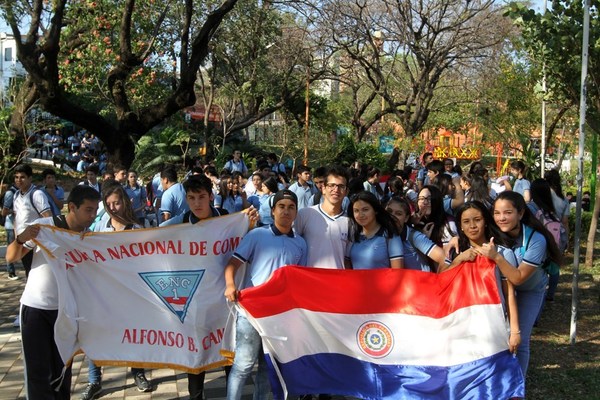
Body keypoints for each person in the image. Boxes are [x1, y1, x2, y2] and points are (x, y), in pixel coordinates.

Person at [160, 175, 257, 399]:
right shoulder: (178, 223)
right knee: (196, 357)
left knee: (229, 354)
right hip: (194, 303)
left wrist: (250, 224)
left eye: (201, 197)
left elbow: (248, 243)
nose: (197, 203)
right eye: (191, 198)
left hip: (226, 300)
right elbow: (147, 238)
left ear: (211, 196)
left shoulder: (227, 218)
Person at [6, 185, 101, 400]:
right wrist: (21, 238)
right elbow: (10, 257)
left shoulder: (91, 239)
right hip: (36, 309)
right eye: (88, 209)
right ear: (72, 207)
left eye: (96, 210)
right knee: (38, 373)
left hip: (66, 313)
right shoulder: (44, 228)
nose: (93, 215)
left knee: (62, 371)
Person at [224, 189, 307, 400]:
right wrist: (230, 285)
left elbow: (299, 280)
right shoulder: (257, 235)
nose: (286, 212)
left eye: (291, 208)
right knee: (243, 364)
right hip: (251, 310)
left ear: (296, 212)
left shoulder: (300, 243)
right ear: (273, 210)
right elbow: (232, 264)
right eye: (281, 207)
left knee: (266, 368)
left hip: (279, 315)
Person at [477, 191, 561, 377]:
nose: (501, 218)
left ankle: (517, 389)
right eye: (497, 213)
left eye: (508, 212)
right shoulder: (492, 232)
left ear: (521, 214)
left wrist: (496, 256)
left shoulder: (536, 240)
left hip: (529, 290)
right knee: (497, 336)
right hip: (503, 290)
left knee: (519, 340)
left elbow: (518, 278)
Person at [81, 183, 151, 399]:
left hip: (130, 294)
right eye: (108, 204)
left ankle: (138, 372)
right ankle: (94, 381)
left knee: (134, 335)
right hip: (103, 294)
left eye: (117, 203)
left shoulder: (136, 230)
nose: (113, 208)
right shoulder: (99, 230)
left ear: (125, 203)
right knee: (96, 335)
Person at [440, 201, 521, 354]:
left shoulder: (502, 253)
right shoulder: (455, 252)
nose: (472, 226)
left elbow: (509, 293)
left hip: (494, 324)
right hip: (461, 325)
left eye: (477, 220)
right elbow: (441, 282)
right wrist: (459, 260)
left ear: (485, 222)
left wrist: (515, 331)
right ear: (461, 227)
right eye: (466, 222)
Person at [294, 165, 350, 269]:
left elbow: (348, 260)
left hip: (338, 281)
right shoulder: (305, 214)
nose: (336, 190)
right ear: (323, 188)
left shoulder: (351, 223)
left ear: (346, 191)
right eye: (331, 185)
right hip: (310, 281)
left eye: (341, 186)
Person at [385, 196, 448, 272]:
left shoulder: (414, 237)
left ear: (406, 218)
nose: (392, 216)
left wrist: (438, 281)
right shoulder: (380, 235)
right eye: (389, 211)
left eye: (398, 213)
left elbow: (445, 260)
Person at [13, 164, 53, 277]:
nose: (19, 180)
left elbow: (48, 218)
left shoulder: (37, 194)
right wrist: (18, 240)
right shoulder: (16, 195)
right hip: (23, 242)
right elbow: (17, 218)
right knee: (29, 273)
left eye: (22, 177)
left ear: (30, 178)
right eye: (16, 177)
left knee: (38, 275)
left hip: (36, 245)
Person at [346, 191, 403, 269]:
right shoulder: (353, 235)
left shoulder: (390, 235)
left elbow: (397, 272)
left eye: (365, 209)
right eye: (356, 211)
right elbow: (347, 267)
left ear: (375, 210)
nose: (360, 215)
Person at [1, 183, 19, 280]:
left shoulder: (20, 192)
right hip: (11, 226)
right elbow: (4, 211)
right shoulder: (10, 193)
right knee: (11, 248)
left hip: (18, 225)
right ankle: (11, 272)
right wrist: (14, 211)